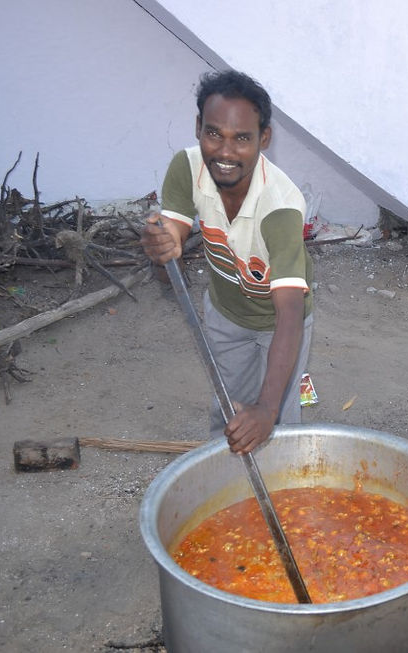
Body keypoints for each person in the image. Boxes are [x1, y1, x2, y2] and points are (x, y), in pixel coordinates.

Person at [140, 70, 313, 455]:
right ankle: (227, 497)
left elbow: (289, 312)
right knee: (230, 416)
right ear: (199, 127)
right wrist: (161, 250)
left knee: (279, 425)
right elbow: (171, 258)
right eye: (214, 133)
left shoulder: (280, 207)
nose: (225, 152)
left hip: (277, 324)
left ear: (263, 139)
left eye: (242, 139)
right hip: (224, 315)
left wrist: (267, 409)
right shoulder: (186, 169)